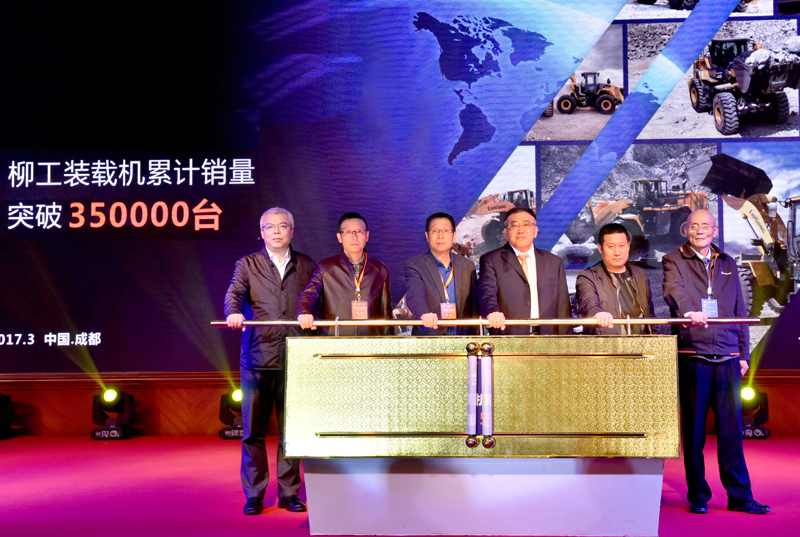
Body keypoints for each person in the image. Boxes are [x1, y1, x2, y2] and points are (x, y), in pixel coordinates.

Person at [662, 209, 770, 515]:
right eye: (694, 226)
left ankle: (740, 496)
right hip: (693, 354)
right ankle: (698, 495)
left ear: (715, 230)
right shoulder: (673, 259)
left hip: (727, 357)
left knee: (732, 433)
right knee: (694, 434)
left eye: (705, 226)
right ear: (686, 229)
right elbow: (674, 291)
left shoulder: (728, 263)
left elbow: (739, 309)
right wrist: (688, 312)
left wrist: (743, 353)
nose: (700, 230)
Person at [224, 207, 313, 515]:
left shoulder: (307, 264)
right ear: (261, 232)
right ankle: (254, 494)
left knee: (292, 432)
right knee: (252, 432)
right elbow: (234, 293)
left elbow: (316, 299)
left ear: (292, 231)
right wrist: (233, 312)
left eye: (283, 226)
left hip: (295, 357)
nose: (276, 231)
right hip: (257, 358)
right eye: (270, 226)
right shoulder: (247, 264)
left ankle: (289, 493)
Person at [477, 207, 571, 335]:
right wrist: (492, 312)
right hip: (509, 337)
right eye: (514, 225)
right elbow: (487, 292)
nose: (521, 230)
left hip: (547, 337)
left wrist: (566, 341)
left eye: (526, 224)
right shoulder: (491, 260)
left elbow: (563, 306)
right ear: (506, 232)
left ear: (535, 231)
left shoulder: (554, 262)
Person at [297, 212, 391, 335]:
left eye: (359, 231)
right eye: (348, 232)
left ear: (367, 236)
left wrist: (389, 340)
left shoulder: (380, 270)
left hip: (370, 340)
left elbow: (386, 313)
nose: (354, 236)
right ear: (339, 237)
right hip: (336, 339)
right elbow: (309, 294)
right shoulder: (325, 268)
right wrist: (304, 312)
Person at [403, 212, 477, 335]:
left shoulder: (467, 266)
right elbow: (415, 294)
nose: (440, 235)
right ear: (427, 236)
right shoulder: (415, 265)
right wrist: (424, 314)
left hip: (463, 339)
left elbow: (474, 306)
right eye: (435, 230)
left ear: (453, 235)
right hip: (430, 338)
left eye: (446, 230)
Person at [575, 223, 654, 335]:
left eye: (622, 246)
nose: (617, 253)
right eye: (611, 247)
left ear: (628, 246)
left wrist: (655, 338)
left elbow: (650, 314)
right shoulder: (587, 277)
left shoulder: (640, 274)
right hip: (608, 343)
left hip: (642, 343)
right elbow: (588, 302)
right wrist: (598, 314)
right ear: (600, 248)